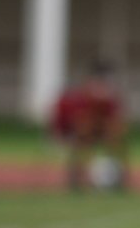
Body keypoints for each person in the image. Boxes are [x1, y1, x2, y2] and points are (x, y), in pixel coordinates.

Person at [51, 59, 128, 191]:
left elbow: (116, 121)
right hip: (78, 135)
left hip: (99, 132)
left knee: (116, 139)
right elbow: (74, 124)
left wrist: (112, 131)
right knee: (82, 138)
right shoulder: (80, 97)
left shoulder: (110, 99)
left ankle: (119, 179)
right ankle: (75, 180)